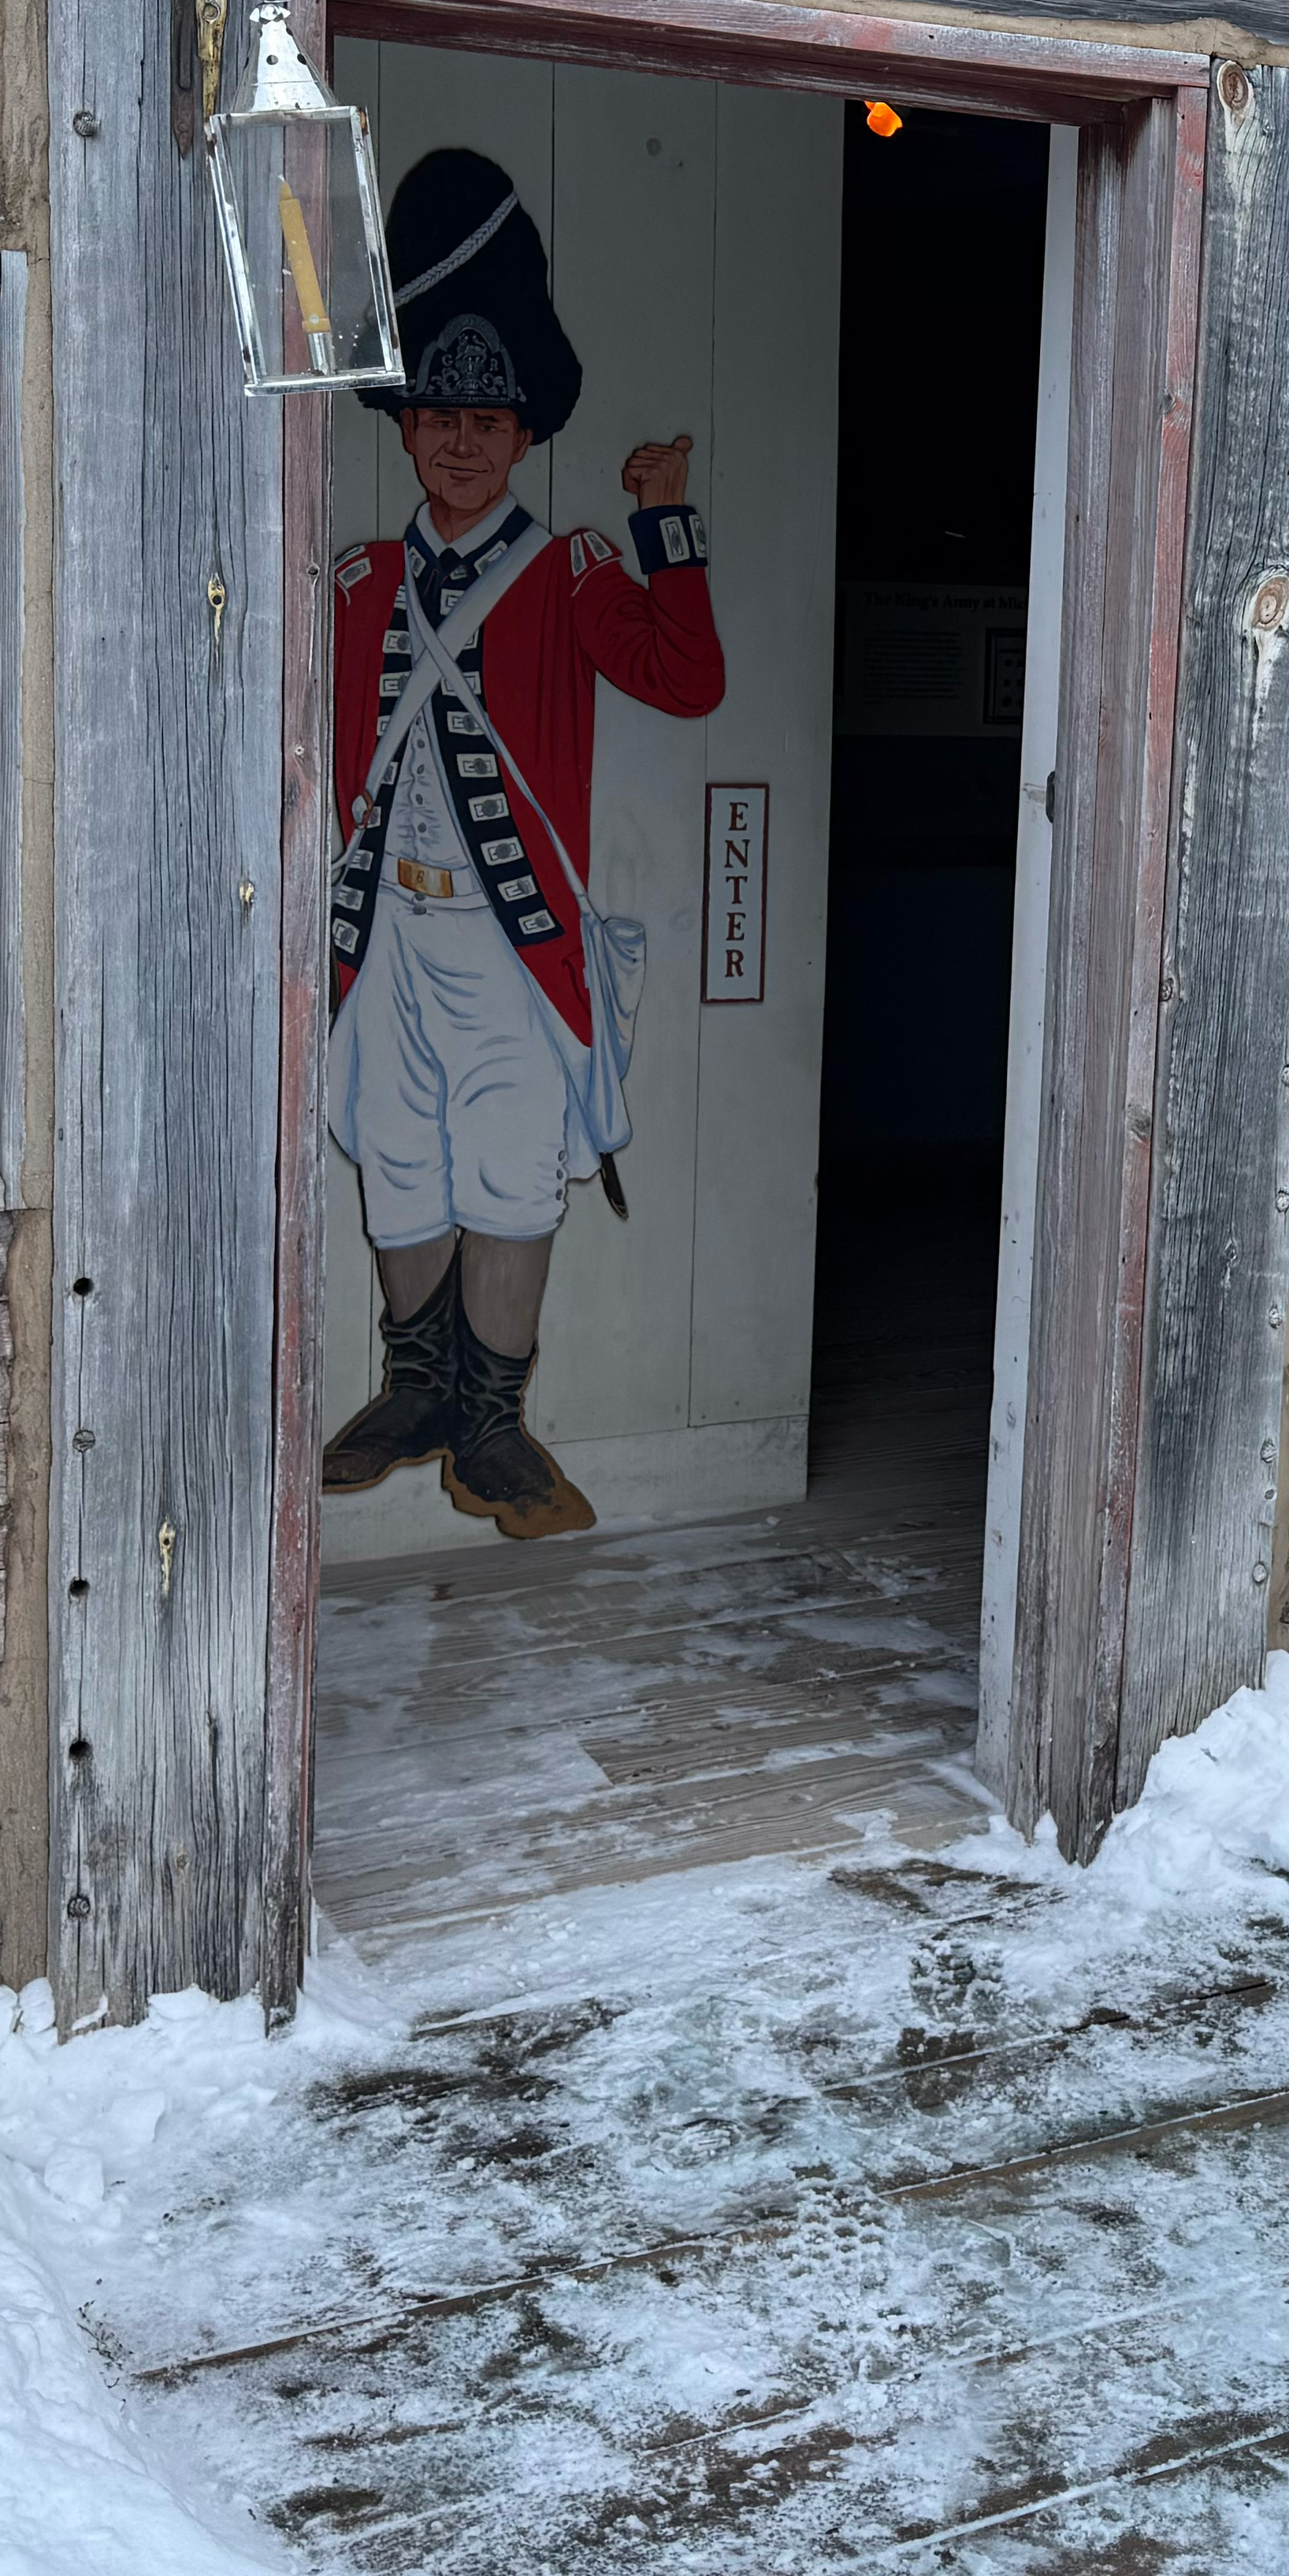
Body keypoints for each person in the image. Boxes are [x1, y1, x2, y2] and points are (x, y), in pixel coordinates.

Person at [321, 147, 723, 1535]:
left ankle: (495, 1422)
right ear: (406, 420)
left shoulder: (565, 575)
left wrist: (663, 518)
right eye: (437, 408)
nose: (460, 437)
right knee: (397, 1156)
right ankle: (418, 1385)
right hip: (384, 932)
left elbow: (687, 678)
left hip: (508, 941)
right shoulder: (362, 583)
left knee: (505, 1168)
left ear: (526, 432)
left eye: (486, 415)